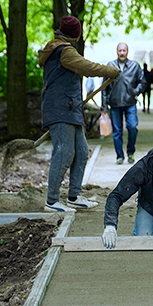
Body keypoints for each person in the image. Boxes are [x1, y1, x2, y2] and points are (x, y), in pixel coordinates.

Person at [37, 16, 120, 212]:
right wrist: (110, 71)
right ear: (76, 34)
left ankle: (73, 196)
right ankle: (52, 201)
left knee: (81, 152)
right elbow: (87, 67)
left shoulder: (63, 48)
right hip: (60, 108)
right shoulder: (63, 51)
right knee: (64, 153)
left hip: (71, 107)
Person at [102, 43, 146, 164]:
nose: (122, 53)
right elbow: (104, 87)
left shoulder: (134, 66)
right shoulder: (110, 66)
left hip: (130, 103)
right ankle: (119, 156)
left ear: (127, 51)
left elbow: (143, 82)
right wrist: (104, 106)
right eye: (120, 50)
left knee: (132, 127)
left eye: (124, 50)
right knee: (117, 132)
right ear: (116, 51)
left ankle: (130, 152)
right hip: (114, 104)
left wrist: (135, 92)